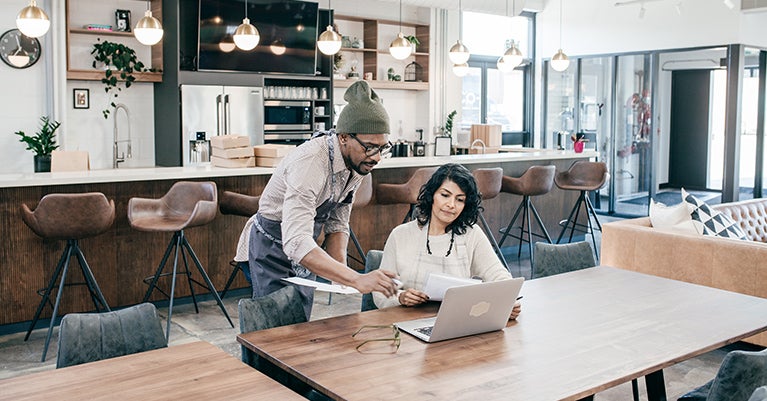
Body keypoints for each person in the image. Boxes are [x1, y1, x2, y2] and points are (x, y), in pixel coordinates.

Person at [242, 80, 399, 319]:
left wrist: (341, 274)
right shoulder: (311, 163)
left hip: (306, 246)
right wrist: (356, 279)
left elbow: (337, 222)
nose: (376, 158)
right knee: (274, 328)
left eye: (382, 148)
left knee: (300, 322)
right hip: (271, 247)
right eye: (370, 147)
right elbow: (295, 241)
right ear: (344, 137)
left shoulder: (357, 163)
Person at [373, 163, 522, 320]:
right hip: (406, 323)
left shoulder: (471, 234)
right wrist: (401, 297)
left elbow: (497, 274)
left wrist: (507, 301)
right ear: (432, 196)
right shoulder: (400, 235)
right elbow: (380, 291)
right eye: (445, 195)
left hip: (457, 321)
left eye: (459, 199)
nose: (451, 205)